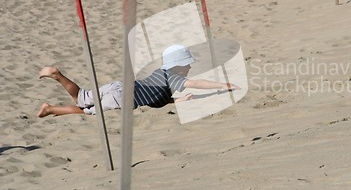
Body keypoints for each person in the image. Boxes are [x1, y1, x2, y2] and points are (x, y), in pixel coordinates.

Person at [37, 44, 239, 118]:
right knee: (86, 109)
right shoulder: (174, 77)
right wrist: (222, 85)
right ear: (178, 66)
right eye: (187, 65)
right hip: (122, 98)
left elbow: (154, 98)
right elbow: (195, 83)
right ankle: (53, 98)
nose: (190, 68)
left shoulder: (161, 75)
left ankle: (52, 100)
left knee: (83, 97)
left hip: (120, 86)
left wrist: (178, 101)